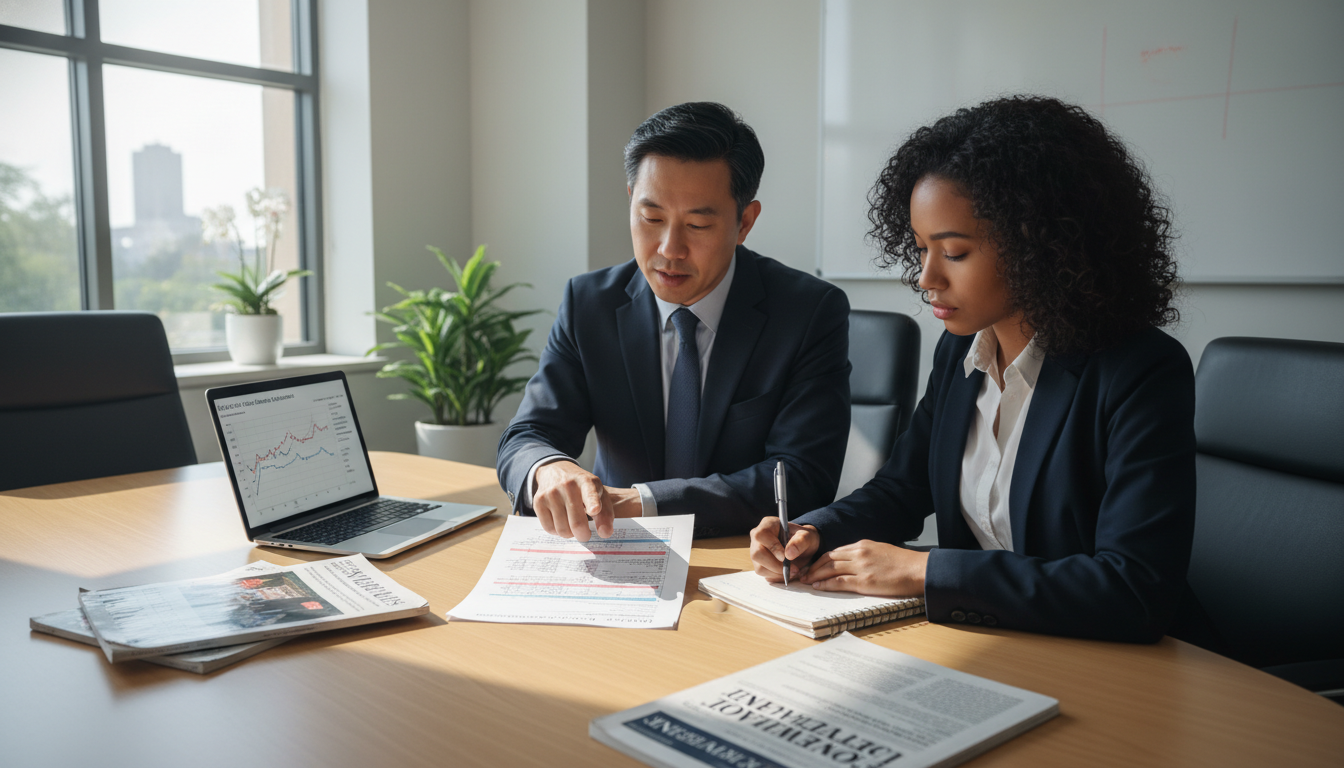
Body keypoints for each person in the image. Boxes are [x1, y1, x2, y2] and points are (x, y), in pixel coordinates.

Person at [751, 95, 1207, 643]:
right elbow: (901, 490)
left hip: (1120, 664)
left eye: (955, 253)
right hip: (995, 644)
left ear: (1040, 243)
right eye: (920, 249)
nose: (927, 278)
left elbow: (1133, 590)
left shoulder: (1141, 371)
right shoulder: (960, 352)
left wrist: (925, 571)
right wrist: (812, 532)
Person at [497, 102, 851, 541]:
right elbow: (527, 435)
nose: (669, 249)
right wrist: (546, 469)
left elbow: (801, 474)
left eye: (698, 225)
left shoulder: (808, 312)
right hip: (614, 554)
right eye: (652, 218)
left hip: (742, 561)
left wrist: (643, 501)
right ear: (631, 202)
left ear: (745, 221)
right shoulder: (590, 304)